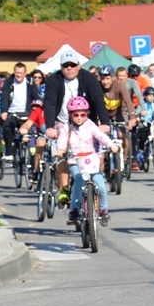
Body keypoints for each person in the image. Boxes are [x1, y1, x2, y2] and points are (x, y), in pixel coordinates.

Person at [43, 49, 110, 205]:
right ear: (61, 67)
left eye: (72, 65)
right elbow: (50, 104)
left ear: (79, 66)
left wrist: (105, 122)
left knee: (96, 151)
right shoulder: (54, 80)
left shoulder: (88, 79)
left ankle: (94, 185)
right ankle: (65, 189)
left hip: (85, 121)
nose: (69, 68)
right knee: (62, 152)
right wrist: (50, 126)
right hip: (63, 120)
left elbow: (98, 100)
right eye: (66, 65)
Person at [56, 96, 119, 227]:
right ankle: (74, 209)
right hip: (75, 161)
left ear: (87, 114)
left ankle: (103, 210)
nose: (79, 117)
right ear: (70, 115)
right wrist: (61, 149)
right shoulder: (66, 128)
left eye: (82, 114)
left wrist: (111, 145)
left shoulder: (91, 125)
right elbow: (62, 140)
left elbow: (101, 136)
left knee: (101, 186)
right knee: (78, 180)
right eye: (75, 114)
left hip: (92, 161)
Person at [0, 62, 40, 161]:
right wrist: (4, 111)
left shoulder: (30, 81)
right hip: (12, 112)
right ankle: (9, 153)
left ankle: (29, 158)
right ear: (14, 72)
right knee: (7, 129)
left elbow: (36, 96)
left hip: (26, 113)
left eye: (21, 73)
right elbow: (4, 97)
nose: (19, 75)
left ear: (25, 73)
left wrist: (37, 105)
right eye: (17, 72)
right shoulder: (8, 82)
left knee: (29, 134)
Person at [99, 65, 137, 165]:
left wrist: (132, 118)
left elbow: (128, 101)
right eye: (102, 79)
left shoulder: (119, 85)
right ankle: (105, 158)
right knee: (103, 136)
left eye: (107, 78)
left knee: (122, 135)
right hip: (104, 115)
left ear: (113, 77)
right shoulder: (98, 86)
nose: (105, 82)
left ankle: (124, 158)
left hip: (119, 113)